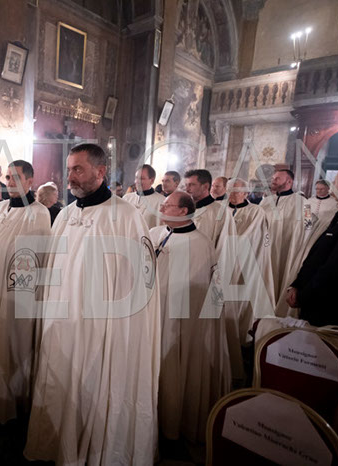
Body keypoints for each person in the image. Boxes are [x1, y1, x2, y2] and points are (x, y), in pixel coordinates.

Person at [25, 143, 160, 465]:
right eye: (69, 169)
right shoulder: (65, 215)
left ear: (100, 172)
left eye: (78, 169)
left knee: (94, 387)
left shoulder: (125, 216)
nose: (70, 176)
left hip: (103, 328)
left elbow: (138, 283)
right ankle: (58, 446)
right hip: (62, 323)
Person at [0, 160, 51, 424]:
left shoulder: (39, 213)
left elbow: (33, 255)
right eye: (7, 177)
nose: (10, 182)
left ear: (29, 181)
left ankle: (7, 402)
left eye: (16, 177)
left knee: (9, 344)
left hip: (15, 293)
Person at [149, 191, 230, 443]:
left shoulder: (200, 243)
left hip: (181, 322)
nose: (161, 208)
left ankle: (173, 423)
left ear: (184, 211)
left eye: (167, 205)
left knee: (176, 366)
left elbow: (203, 291)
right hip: (153, 314)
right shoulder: (155, 233)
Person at [287, 161, 338, 337]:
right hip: (308, 240)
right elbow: (320, 253)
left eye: (333, 183)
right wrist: (298, 284)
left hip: (336, 312)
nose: (322, 191)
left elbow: (335, 267)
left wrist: (303, 296)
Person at [223, 178, 275, 385]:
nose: (231, 194)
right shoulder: (221, 209)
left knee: (240, 305)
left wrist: (228, 247)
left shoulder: (255, 212)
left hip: (244, 264)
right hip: (222, 263)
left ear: (246, 193)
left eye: (236, 191)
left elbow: (249, 236)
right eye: (229, 190)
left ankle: (240, 343)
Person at [259, 169, 309, 312]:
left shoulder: (303, 202)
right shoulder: (266, 201)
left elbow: (309, 226)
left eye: (277, 178)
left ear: (289, 181)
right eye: (273, 178)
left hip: (287, 250)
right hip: (265, 250)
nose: (273, 181)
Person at [183, 169, 235, 252]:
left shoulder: (221, 212)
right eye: (186, 185)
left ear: (205, 187)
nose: (187, 189)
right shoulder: (182, 209)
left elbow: (225, 248)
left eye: (192, 185)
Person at [123, 164, 164, 228]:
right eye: (136, 178)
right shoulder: (126, 198)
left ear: (152, 180)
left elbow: (162, 228)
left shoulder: (161, 201)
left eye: (142, 178)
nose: (137, 181)